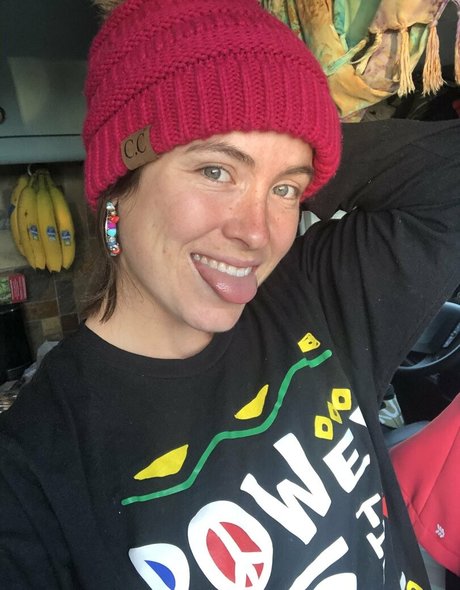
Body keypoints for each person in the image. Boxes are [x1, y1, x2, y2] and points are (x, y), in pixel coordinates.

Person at [0, 0, 459, 588]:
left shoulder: (317, 297)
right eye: (216, 171)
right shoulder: (31, 472)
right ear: (118, 180)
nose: (257, 233)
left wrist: (298, 139)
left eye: (286, 190)